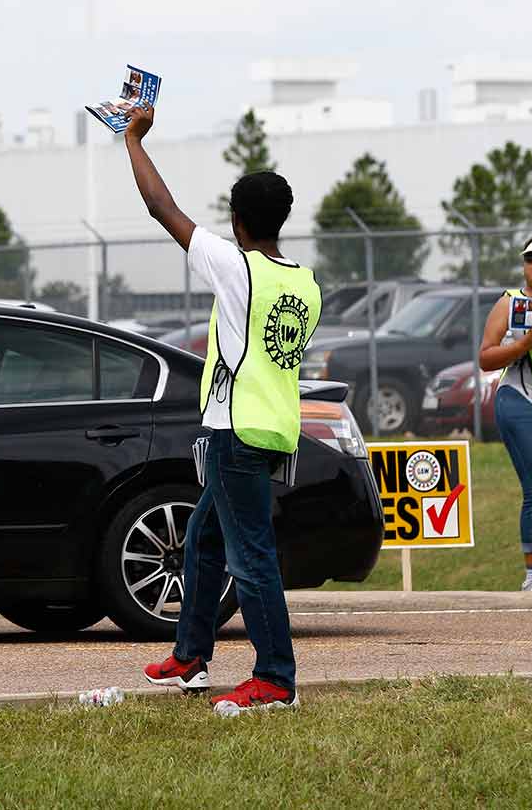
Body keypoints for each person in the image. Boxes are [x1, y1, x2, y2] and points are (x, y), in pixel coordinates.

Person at [123, 105, 321, 717]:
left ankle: (275, 677)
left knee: (249, 555)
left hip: (234, 433)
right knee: (205, 539)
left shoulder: (236, 267)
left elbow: (163, 209)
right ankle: (190, 656)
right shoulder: (304, 283)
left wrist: (131, 139)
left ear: (237, 222)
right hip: (274, 429)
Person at [477, 234, 532, 591]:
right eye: (531, 257)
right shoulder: (510, 302)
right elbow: (485, 358)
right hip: (521, 400)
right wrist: (523, 344)